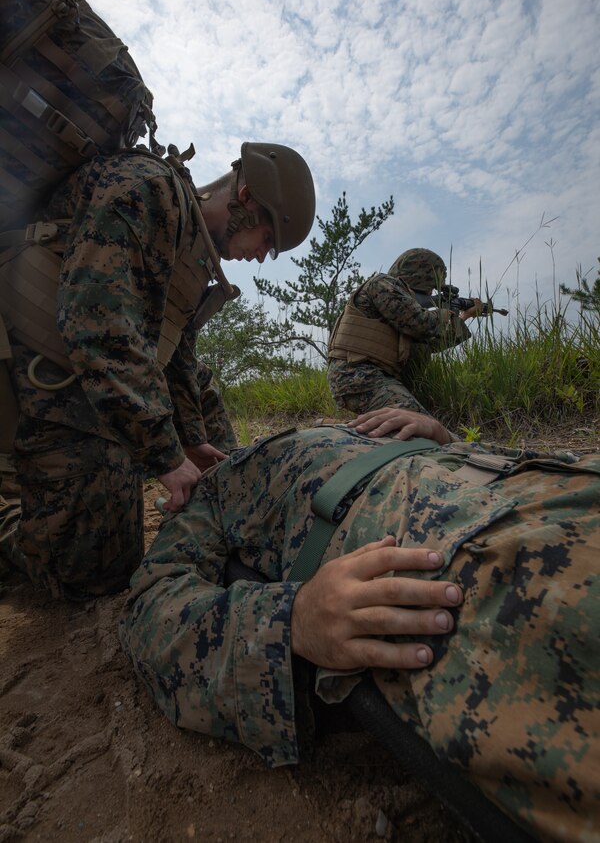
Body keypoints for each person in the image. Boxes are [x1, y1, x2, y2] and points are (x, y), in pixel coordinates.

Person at [119, 407, 600, 843]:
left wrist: (441, 435)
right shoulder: (212, 496)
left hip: (544, 484)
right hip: (457, 552)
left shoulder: (344, 423)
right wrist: (292, 620)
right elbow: (150, 606)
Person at [0, 142, 315, 600]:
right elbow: (97, 323)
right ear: (246, 199)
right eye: (267, 239)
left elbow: (176, 355)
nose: (262, 255)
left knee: (200, 391)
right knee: (91, 574)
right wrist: (165, 456)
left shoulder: (192, 247)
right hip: (39, 374)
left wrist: (189, 438)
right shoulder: (146, 190)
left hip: (84, 379)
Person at [327, 248, 484, 415]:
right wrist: (446, 314)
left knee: (422, 420)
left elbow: (431, 343)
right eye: (430, 287)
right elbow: (419, 323)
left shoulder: (399, 306)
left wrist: (464, 316)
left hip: (375, 376)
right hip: (356, 374)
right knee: (417, 424)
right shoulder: (381, 283)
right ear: (419, 276)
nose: (431, 293)